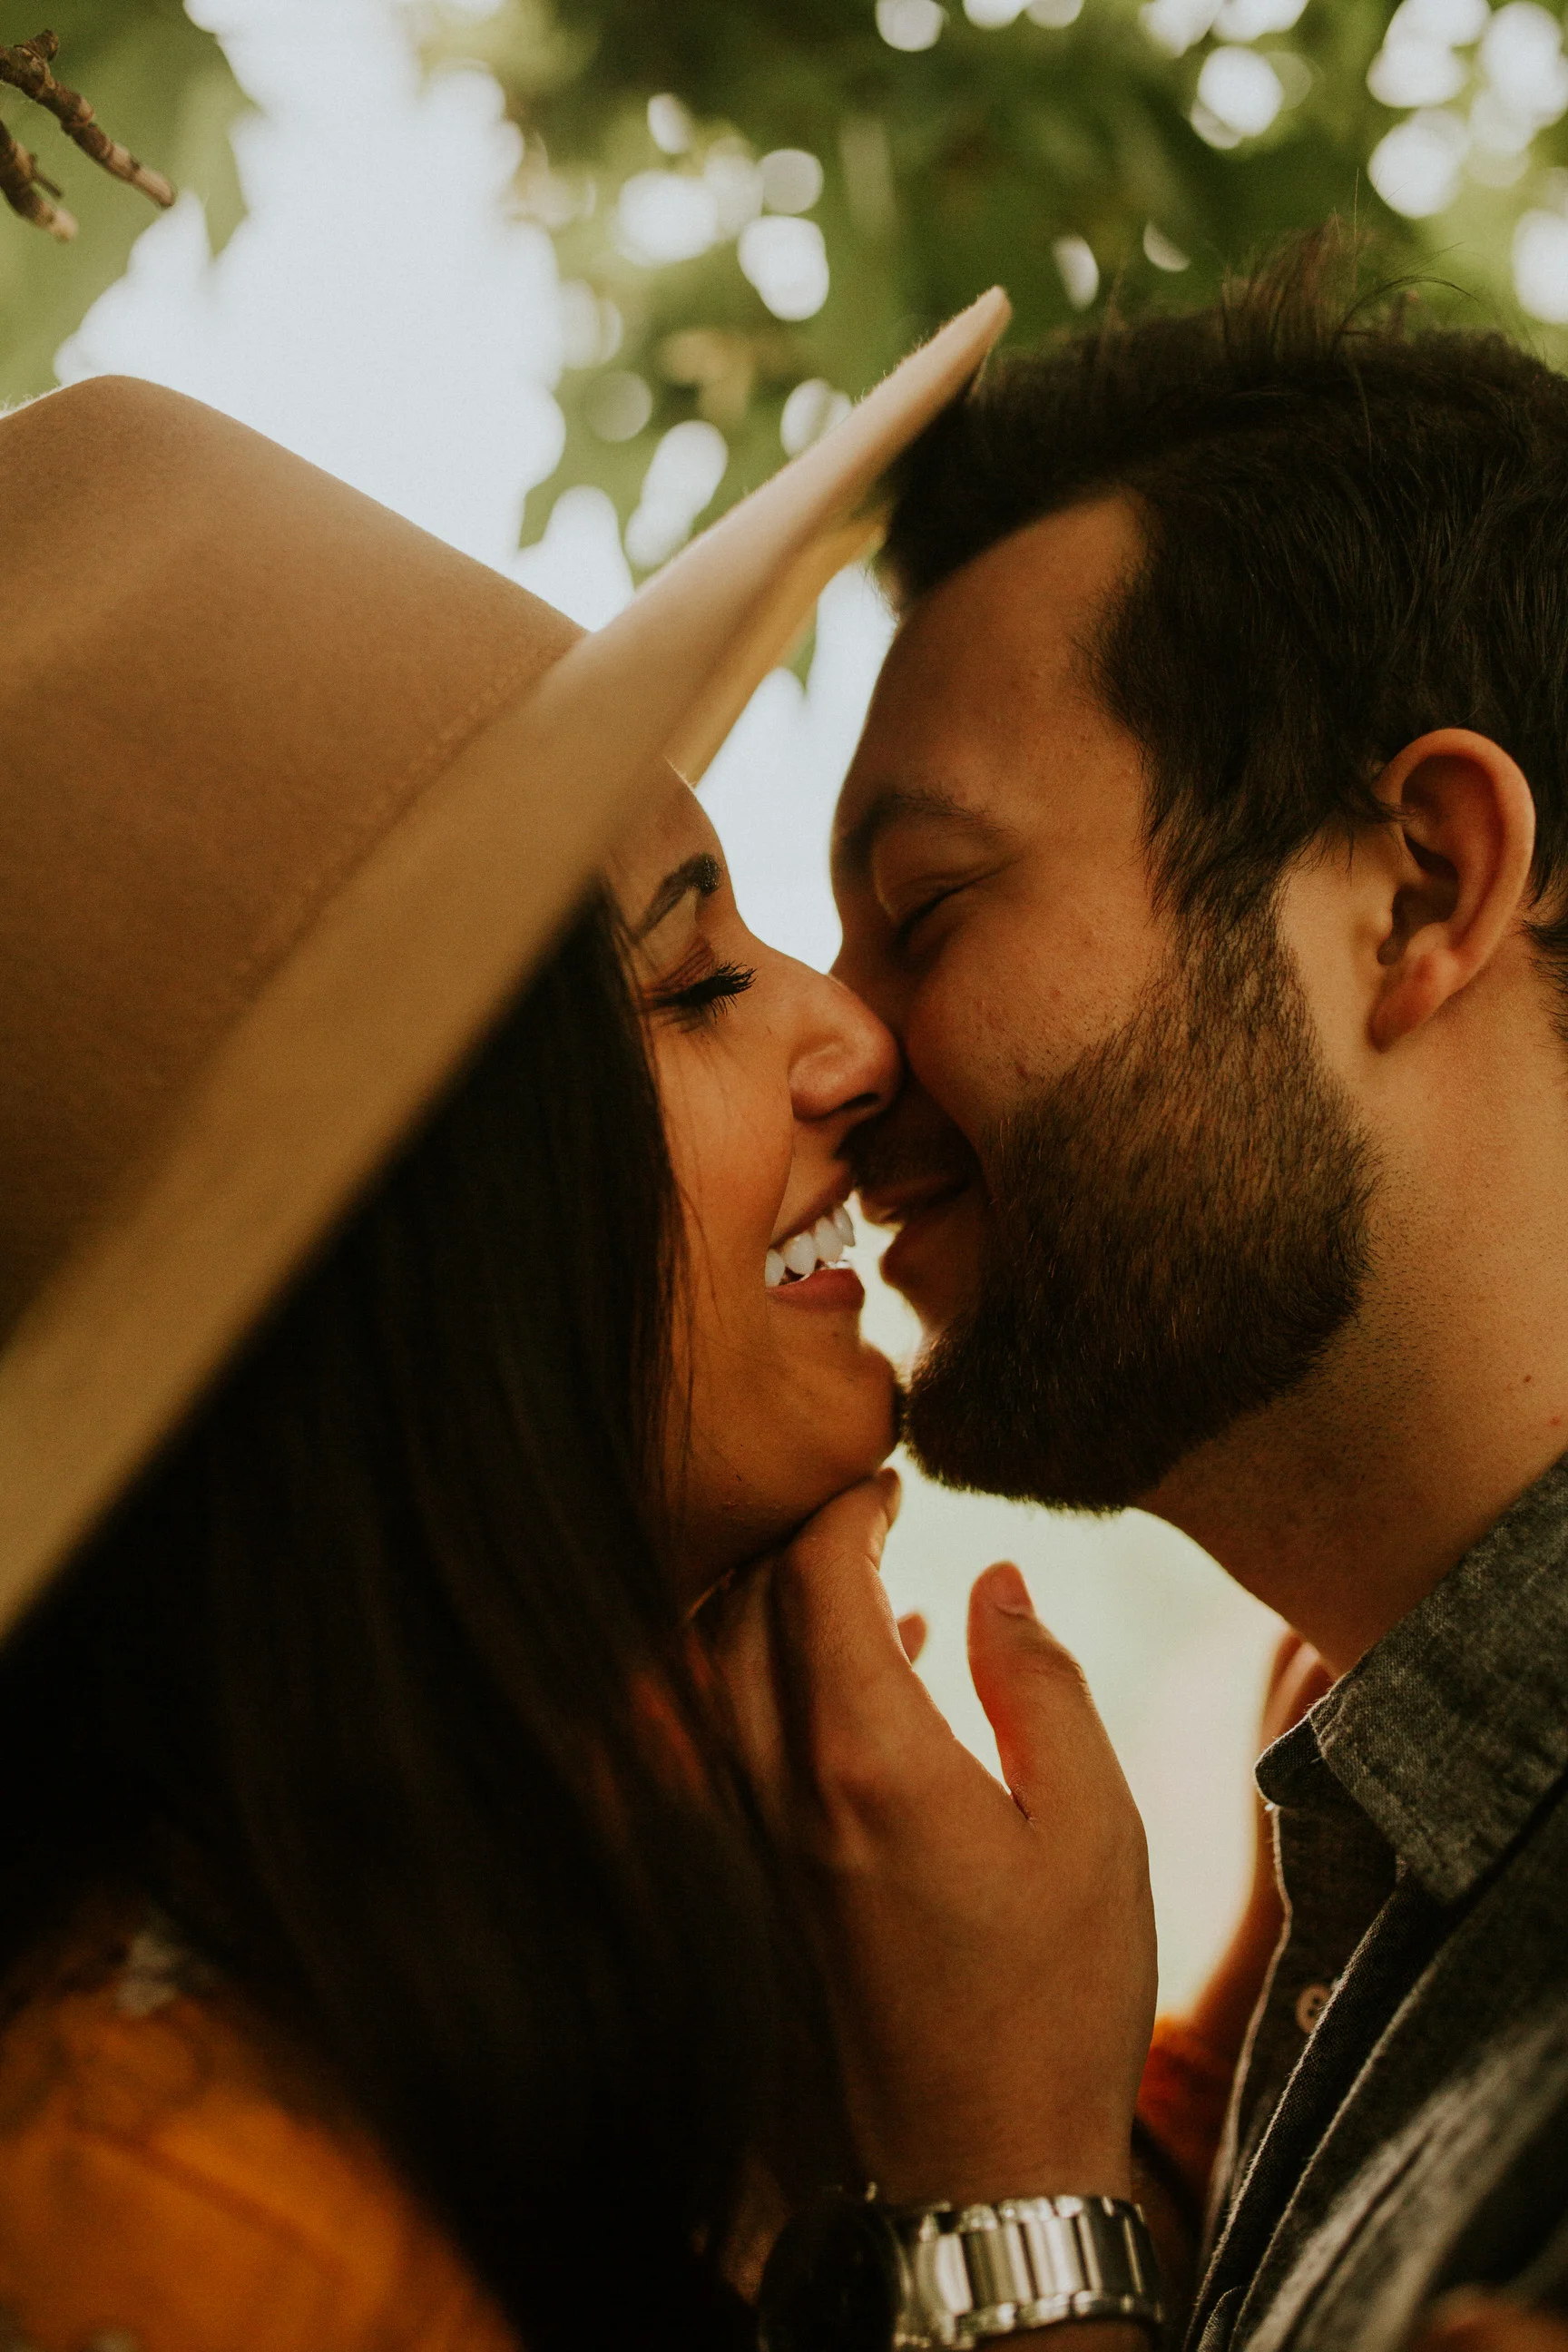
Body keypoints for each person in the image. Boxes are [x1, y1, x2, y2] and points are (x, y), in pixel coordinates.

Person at [0, 311, 1178, 2352]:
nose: (855, 1038)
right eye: (696, 983)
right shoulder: (166, 2217)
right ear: (399, 1250)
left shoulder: (556, 1919)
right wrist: (1013, 2195)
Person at [801, 227, 1568, 2352]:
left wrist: (1012, 2204)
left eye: (926, 906)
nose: (837, 1055)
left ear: (1418, 888)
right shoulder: (1362, 1825)